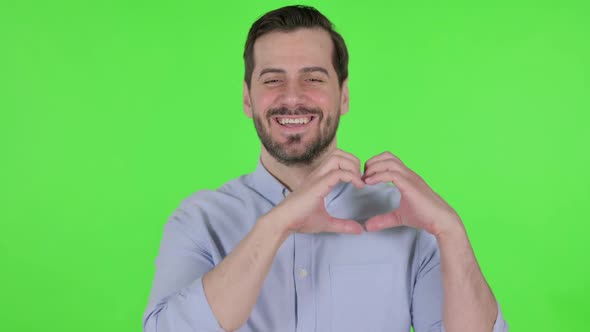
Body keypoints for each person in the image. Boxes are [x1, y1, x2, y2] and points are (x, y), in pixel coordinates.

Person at [143, 5, 508, 332]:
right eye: (272, 80)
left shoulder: (404, 216)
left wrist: (450, 230)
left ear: (344, 95)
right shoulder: (198, 220)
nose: (292, 97)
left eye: (313, 78)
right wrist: (278, 224)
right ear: (246, 97)